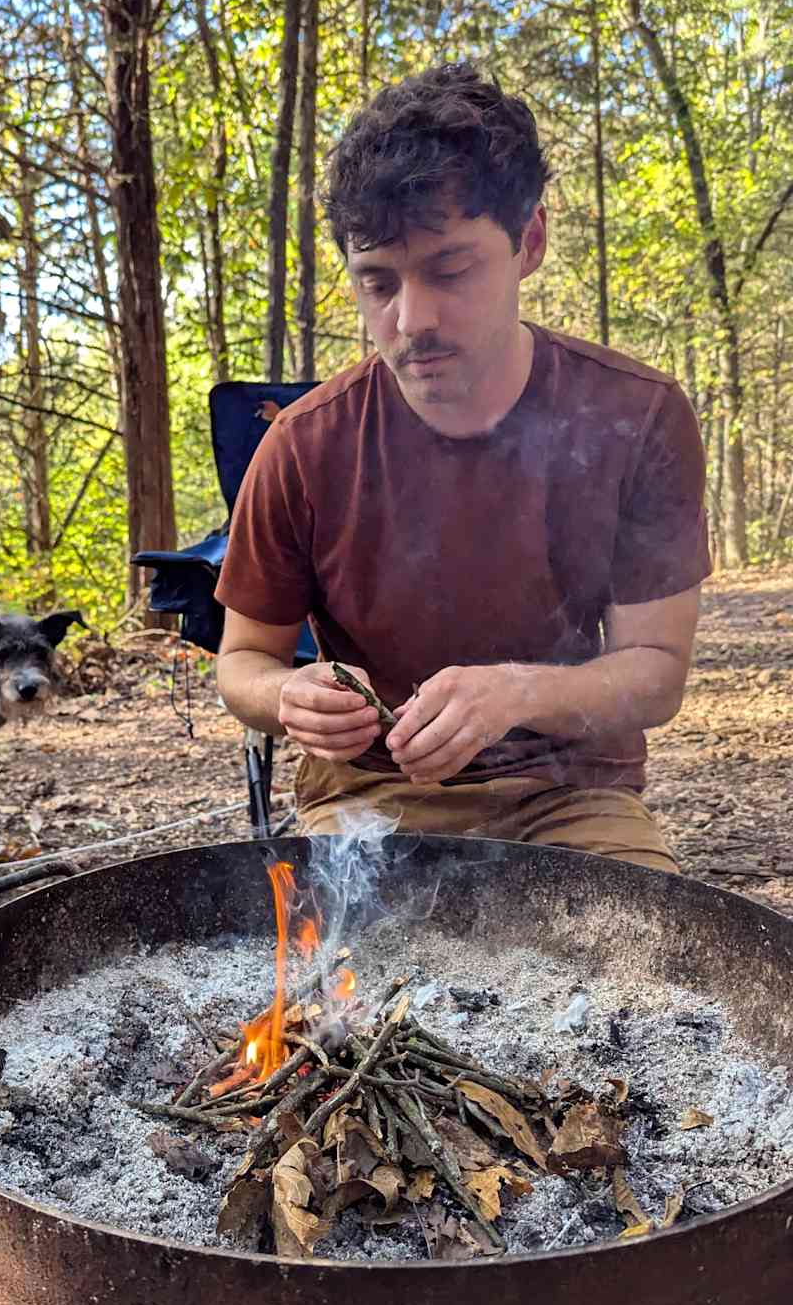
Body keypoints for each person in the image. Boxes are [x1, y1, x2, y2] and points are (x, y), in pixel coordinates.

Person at [214, 62, 710, 872]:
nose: (411, 320)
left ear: (531, 243)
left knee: (641, 980)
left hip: (570, 795)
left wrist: (513, 693)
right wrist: (288, 696)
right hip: (367, 798)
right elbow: (243, 662)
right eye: (377, 283)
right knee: (337, 987)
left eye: (450, 271)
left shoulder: (637, 416)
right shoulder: (303, 447)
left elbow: (656, 676)